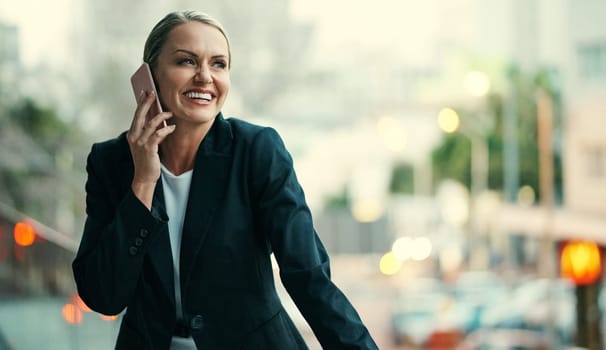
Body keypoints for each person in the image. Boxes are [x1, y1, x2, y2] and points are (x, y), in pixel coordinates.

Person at [72, 10, 378, 350]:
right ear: (149, 76)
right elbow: (103, 296)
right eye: (186, 61)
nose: (205, 76)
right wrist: (143, 181)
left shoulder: (257, 152)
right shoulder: (111, 162)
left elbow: (309, 277)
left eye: (219, 64)